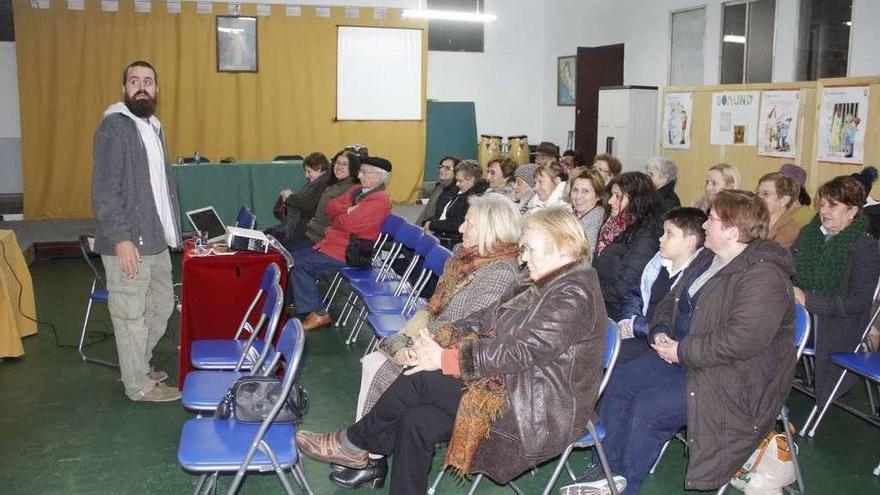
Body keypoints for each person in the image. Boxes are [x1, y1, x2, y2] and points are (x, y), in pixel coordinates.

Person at [297, 207, 607, 495]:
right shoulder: (541, 278)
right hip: (511, 383)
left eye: (530, 249)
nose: (523, 259)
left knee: (421, 379)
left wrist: (445, 358)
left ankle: (352, 443)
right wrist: (440, 338)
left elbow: (519, 351)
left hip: (538, 406)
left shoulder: (574, 294)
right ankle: (368, 456)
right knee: (417, 420)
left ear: (563, 247)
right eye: (522, 249)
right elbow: (486, 316)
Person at [562, 190, 797, 495]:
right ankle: (607, 468)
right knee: (621, 381)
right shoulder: (709, 259)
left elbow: (742, 341)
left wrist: (681, 350)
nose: (704, 226)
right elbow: (669, 301)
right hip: (690, 358)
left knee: (651, 406)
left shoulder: (763, 277)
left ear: (732, 230)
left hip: (734, 377)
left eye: (711, 220)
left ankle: (625, 484)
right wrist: (660, 330)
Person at [331, 194, 521, 490]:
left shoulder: (499, 275)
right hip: (443, 346)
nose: (460, 229)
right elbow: (438, 313)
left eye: (468, 223)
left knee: (384, 368)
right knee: (383, 373)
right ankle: (367, 454)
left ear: (490, 230)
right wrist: (411, 339)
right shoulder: (466, 261)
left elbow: (464, 331)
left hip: (473, 375)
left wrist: (415, 345)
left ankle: (366, 454)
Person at [92, 60, 181, 402]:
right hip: (128, 242)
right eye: (134, 81)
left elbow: (160, 187)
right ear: (125, 88)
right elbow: (105, 190)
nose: (141, 86)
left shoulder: (152, 127)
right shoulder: (115, 127)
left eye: (148, 81)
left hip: (156, 239)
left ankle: (137, 366)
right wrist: (121, 239)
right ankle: (138, 384)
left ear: (156, 89)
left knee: (159, 306)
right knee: (131, 315)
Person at [792, 175, 880, 408]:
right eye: (822, 204)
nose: (824, 211)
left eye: (833, 205)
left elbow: (859, 302)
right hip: (805, 315)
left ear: (852, 211)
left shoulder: (864, 247)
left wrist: (809, 300)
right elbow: (788, 266)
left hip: (838, 324)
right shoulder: (810, 234)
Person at [291, 156, 392, 330]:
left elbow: (348, 223)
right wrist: (346, 211)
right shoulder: (358, 190)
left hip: (349, 252)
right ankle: (298, 302)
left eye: (364, 172)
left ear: (378, 176)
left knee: (299, 265)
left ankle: (319, 314)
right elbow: (330, 207)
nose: (359, 176)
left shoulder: (380, 201)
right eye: (360, 171)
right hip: (333, 244)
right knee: (292, 259)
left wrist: (342, 216)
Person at [614, 207, 707, 364]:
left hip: (661, 343)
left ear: (690, 241)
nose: (661, 239)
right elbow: (635, 294)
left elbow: (676, 321)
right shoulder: (657, 263)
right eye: (663, 232)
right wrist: (627, 320)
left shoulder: (695, 276)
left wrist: (635, 325)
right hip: (637, 333)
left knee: (614, 361)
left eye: (669, 234)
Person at [592, 172, 664, 320]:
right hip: (599, 302)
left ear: (636, 200)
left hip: (619, 312)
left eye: (618, 196)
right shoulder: (611, 226)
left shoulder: (645, 236)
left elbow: (623, 288)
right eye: (612, 195)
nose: (611, 201)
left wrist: (587, 289)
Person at [284, 149, 361, 252]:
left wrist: (315, 224)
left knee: (287, 255)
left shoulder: (353, 190)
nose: (339, 167)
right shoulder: (334, 185)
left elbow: (338, 221)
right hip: (313, 233)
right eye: (337, 163)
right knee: (282, 250)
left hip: (323, 239)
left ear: (353, 168)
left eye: (344, 164)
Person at [267, 152, 332, 242]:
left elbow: (309, 205)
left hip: (305, 231)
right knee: (268, 234)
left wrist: (289, 197)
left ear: (320, 168)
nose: (306, 175)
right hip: (301, 227)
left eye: (309, 171)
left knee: (269, 236)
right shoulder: (317, 183)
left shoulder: (324, 184)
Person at [425, 159, 489, 248]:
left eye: (460, 181)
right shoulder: (460, 191)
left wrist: (432, 225)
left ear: (471, 179)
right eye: (456, 180)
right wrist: (429, 222)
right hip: (441, 234)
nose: (457, 184)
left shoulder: (475, 199)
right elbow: (442, 213)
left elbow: (458, 223)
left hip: (452, 242)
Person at [757, 172, 802, 248]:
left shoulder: (791, 230)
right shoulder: (756, 221)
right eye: (758, 193)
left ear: (784, 200)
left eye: (765, 194)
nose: (758, 198)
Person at [415, 155, 460, 227]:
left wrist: (428, 225)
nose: (441, 170)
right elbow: (427, 210)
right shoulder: (439, 186)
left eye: (447, 168)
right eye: (441, 167)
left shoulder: (455, 191)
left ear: (456, 171)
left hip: (434, 228)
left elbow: (441, 217)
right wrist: (417, 226)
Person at [568, 168, 606, 252]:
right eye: (575, 190)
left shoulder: (597, 220)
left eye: (585, 191)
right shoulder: (570, 214)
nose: (578, 196)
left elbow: (586, 257)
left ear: (598, 196)